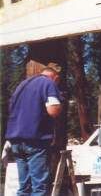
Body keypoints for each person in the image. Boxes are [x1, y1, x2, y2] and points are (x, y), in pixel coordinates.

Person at [5, 64, 63, 196]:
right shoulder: (49, 83)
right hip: (35, 139)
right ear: (56, 77)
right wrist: (60, 104)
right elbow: (53, 111)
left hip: (15, 140)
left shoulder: (21, 85)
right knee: (39, 188)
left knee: (24, 187)